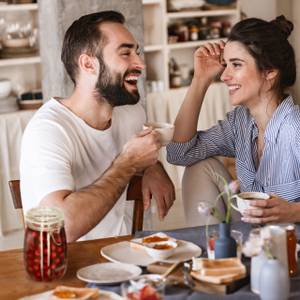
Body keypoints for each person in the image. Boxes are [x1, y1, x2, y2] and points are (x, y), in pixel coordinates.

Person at [20, 11, 175, 242]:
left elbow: (139, 155)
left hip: (122, 259)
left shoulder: (130, 114)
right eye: (125, 53)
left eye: (137, 52)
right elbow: (62, 228)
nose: (140, 64)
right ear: (88, 64)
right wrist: (128, 164)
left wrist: (153, 167)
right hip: (67, 269)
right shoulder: (48, 130)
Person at [166, 15, 300, 226]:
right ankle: (212, 257)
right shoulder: (240, 122)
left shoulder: (296, 129)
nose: (224, 76)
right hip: (252, 238)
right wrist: (200, 80)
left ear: (270, 72)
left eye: (236, 65)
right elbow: (179, 154)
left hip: (289, 248)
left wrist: (295, 212)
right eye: (225, 64)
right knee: (199, 166)